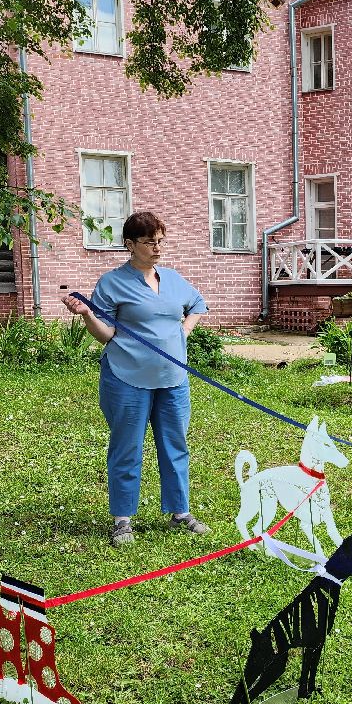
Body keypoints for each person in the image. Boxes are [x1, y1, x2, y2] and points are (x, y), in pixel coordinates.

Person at [63, 210, 210, 546]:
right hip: (127, 377)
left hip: (172, 379)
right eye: (149, 242)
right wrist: (87, 315)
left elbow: (197, 304)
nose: (157, 248)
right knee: (127, 447)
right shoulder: (112, 283)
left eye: (160, 241)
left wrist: (183, 332)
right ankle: (122, 520)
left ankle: (179, 512)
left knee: (176, 446)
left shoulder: (172, 279)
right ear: (130, 244)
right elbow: (106, 334)